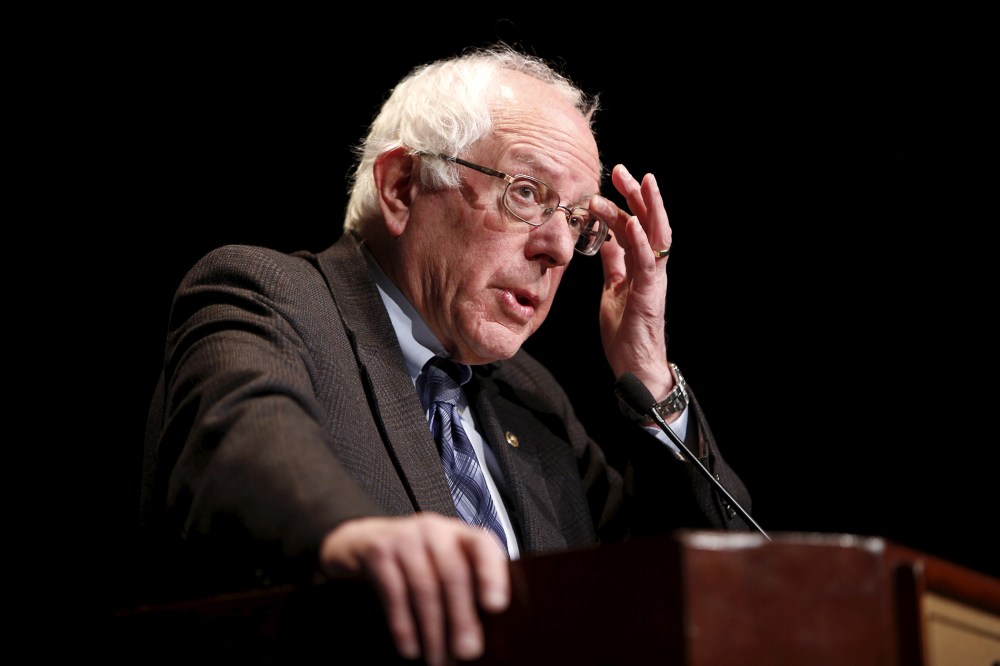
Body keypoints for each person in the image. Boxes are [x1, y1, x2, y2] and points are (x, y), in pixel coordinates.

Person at [140, 43, 752, 665]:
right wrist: (354, 536)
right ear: (403, 186)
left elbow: (716, 585)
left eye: (574, 220)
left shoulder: (530, 399)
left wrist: (648, 372)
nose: (559, 250)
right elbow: (239, 441)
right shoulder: (269, 297)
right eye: (526, 194)